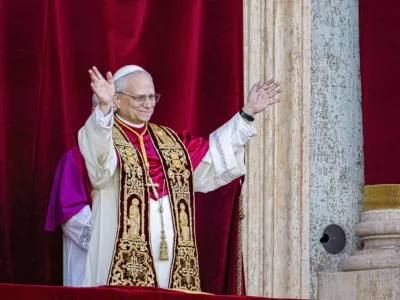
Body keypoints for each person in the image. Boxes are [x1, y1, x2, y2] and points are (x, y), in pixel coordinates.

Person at [78, 65, 281, 291]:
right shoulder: (105, 135)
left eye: (152, 96)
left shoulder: (170, 141)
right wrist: (104, 110)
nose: (148, 103)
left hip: (171, 260)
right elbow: (99, 163)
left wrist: (247, 113)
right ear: (117, 99)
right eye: (139, 97)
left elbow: (212, 156)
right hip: (118, 258)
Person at [44, 97, 100, 286]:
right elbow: (72, 214)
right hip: (88, 259)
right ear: (95, 112)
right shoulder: (75, 159)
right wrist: (112, 238)